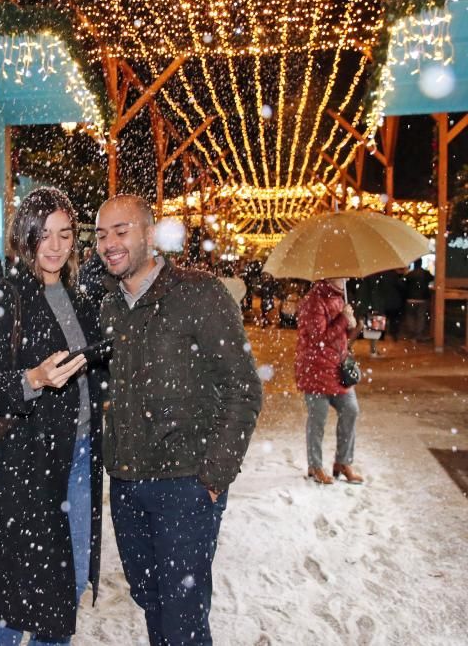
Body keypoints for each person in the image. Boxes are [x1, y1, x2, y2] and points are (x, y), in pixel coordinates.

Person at [95, 195, 263, 646]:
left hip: (186, 484)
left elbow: (244, 387)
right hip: (129, 485)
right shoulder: (110, 306)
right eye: (101, 234)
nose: (110, 243)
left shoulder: (199, 293)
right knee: (150, 599)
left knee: (183, 617)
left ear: (150, 234)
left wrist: (214, 475)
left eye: (121, 230)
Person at [0, 187, 105, 645]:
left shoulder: (81, 299)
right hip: (21, 469)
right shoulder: (4, 298)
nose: (55, 245)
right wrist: (33, 380)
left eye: (64, 234)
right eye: (43, 234)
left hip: (78, 458)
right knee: (11, 595)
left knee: (67, 587)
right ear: (24, 236)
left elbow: (91, 371)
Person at [294, 277, 364, 485]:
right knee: (318, 419)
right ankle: (315, 466)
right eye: (342, 274)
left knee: (351, 410)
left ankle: (343, 462)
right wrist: (343, 319)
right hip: (315, 370)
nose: (347, 278)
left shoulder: (339, 297)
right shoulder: (313, 301)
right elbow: (319, 339)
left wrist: (352, 326)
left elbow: (340, 337)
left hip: (337, 369)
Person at [403, 258, 433, 340]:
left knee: (410, 315)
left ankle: (412, 332)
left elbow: (404, 282)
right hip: (422, 299)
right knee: (421, 316)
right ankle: (418, 333)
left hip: (410, 298)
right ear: (421, 263)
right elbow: (432, 278)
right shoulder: (426, 273)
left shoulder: (410, 274)